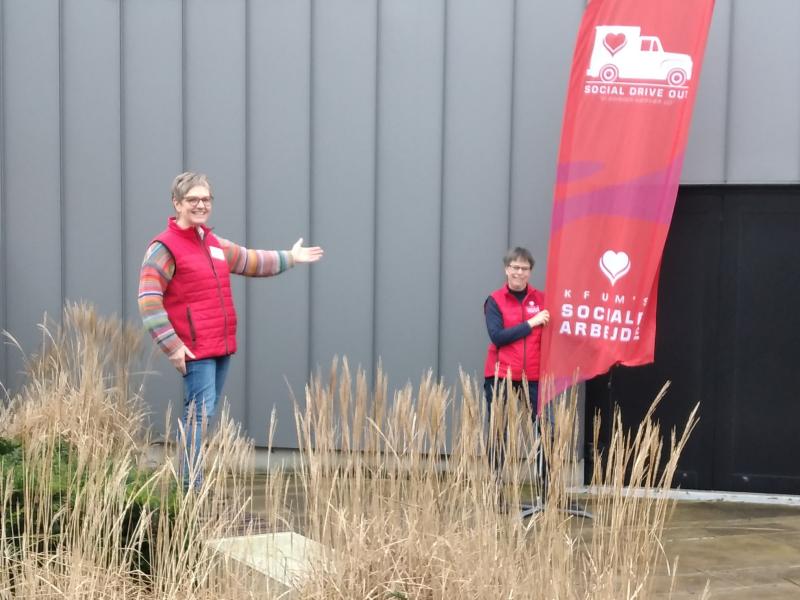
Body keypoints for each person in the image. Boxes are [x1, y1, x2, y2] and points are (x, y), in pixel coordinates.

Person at [138, 171, 323, 489]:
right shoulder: (164, 248)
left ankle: (191, 486)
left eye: (206, 199)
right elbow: (148, 300)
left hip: (220, 345)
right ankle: (190, 490)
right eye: (193, 199)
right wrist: (172, 346)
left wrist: (291, 257)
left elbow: (251, 260)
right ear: (177, 203)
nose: (201, 205)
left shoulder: (211, 243)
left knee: (203, 414)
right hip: (195, 348)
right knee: (198, 416)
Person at [483, 247, 549, 489]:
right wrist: (531, 323)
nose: (519, 272)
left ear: (530, 272)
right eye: (515, 267)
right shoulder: (495, 300)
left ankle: (546, 490)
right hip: (501, 375)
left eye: (524, 268)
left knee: (544, 431)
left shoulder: (542, 300)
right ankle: (495, 489)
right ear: (506, 269)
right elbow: (497, 336)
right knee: (498, 432)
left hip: (534, 376)